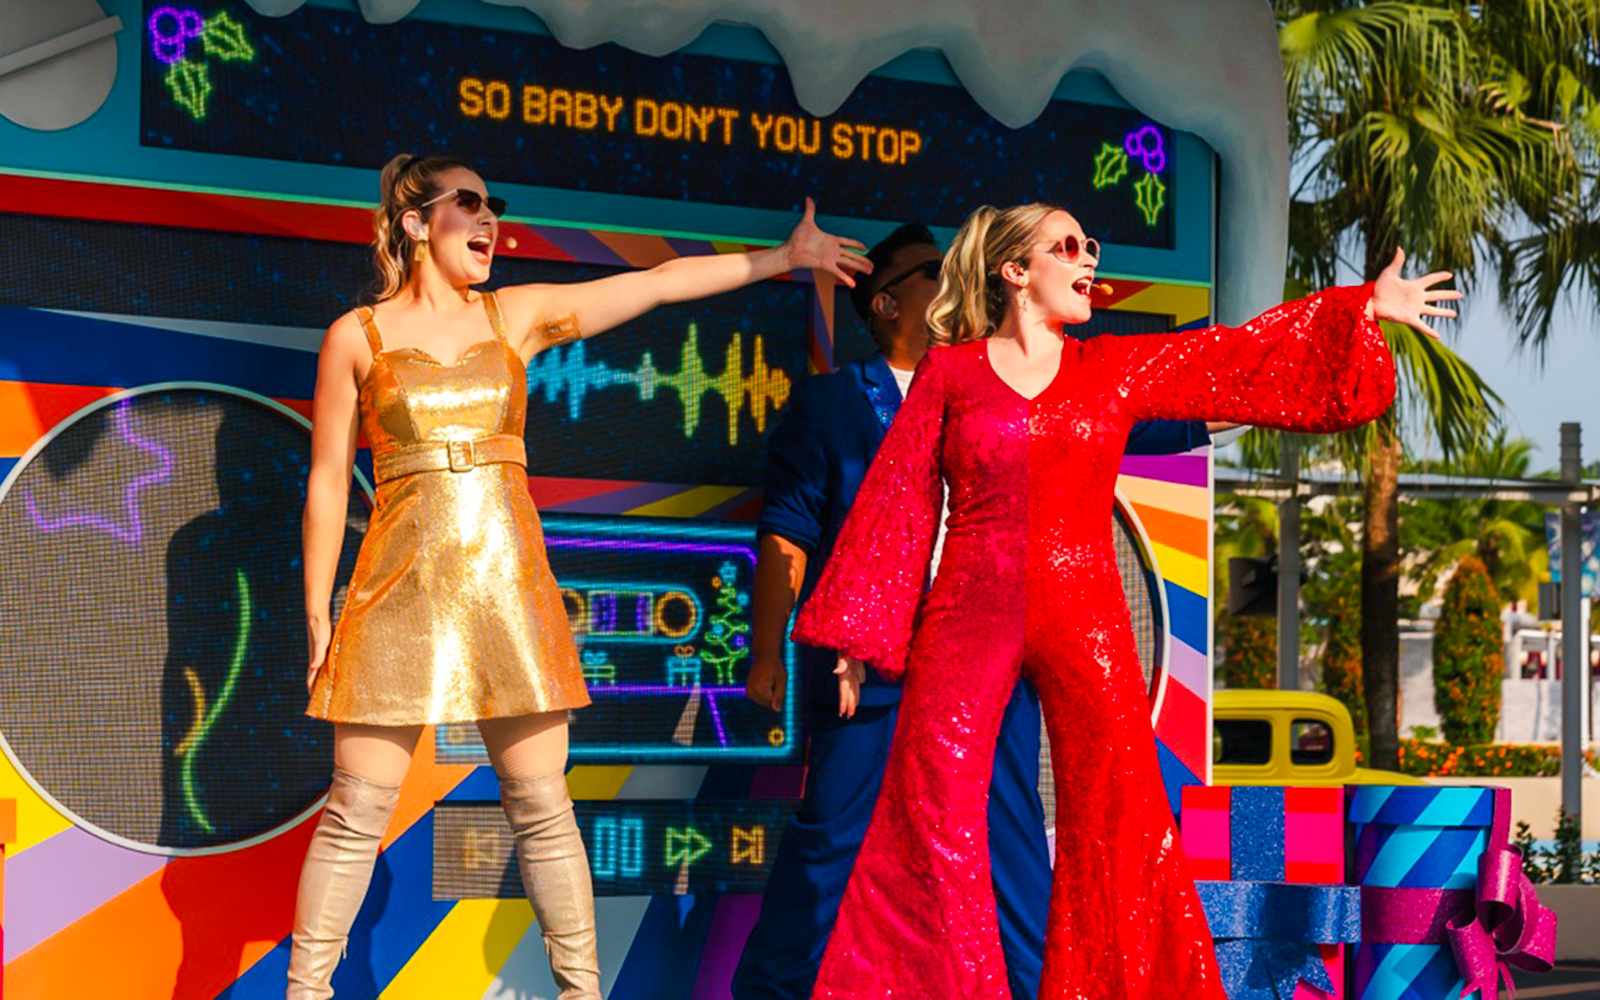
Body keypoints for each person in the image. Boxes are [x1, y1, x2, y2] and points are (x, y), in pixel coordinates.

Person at [790, 203, 1459, 998]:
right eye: (1067, 246)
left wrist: (1360, 307)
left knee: (1123, 811)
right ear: (1015, 271)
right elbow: (898, 494)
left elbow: (1234, 354)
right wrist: (855, 635)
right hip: (968, 608)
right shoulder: (951, 373)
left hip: (1085, 607)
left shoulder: (1112, 366)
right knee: (927, 803)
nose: (1088, 259)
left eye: (1090, 246)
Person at [291, 153, 868, 1000]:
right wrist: (318, 614)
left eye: (494, 206)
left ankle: (580, 992)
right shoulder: (357, 335)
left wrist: (782, 259)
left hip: (505, 587)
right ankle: (305, 992)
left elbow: (656, 286)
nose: (489, 220)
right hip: (396, 587)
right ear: (415, 222)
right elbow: (327, 482)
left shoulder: (512, 316)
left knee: (541, 806)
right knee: (354, 812)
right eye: (468, 203)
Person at [734, 223, 1216, 1000]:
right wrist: (768, 652)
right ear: (887, 303)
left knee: (1011, 841)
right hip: (878, 666)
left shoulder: (1022, 383)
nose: (953, 278)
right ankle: (771, 992)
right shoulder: (833, 404)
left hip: (985, 655)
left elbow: (1178, 405)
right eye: (932, 269)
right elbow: (788, 533)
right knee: (835, 840)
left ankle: (1036, 990)